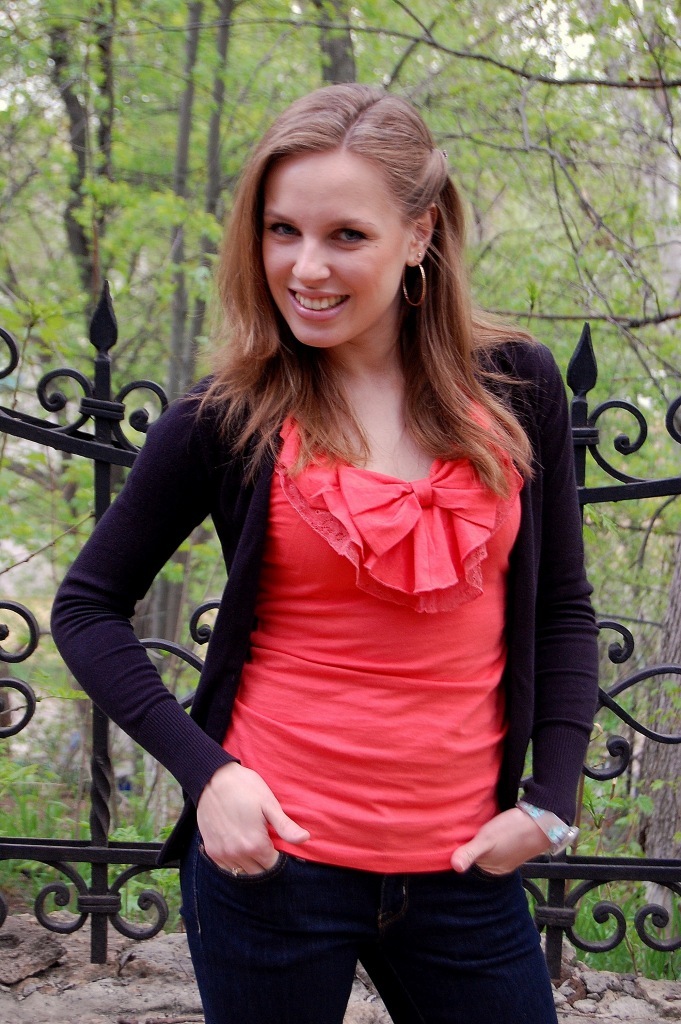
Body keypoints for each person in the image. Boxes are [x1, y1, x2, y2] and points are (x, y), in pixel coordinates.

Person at [51, 83, 600, 1024]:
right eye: (281, 231)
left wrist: (550, 800)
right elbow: (85, 608)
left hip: (465, 872)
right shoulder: (225, 418)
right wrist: (209, 774)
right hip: (273, 870)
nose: (305, 267)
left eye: (346, 234)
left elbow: (561, 608)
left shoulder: (518, 386)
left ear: (419, 233)